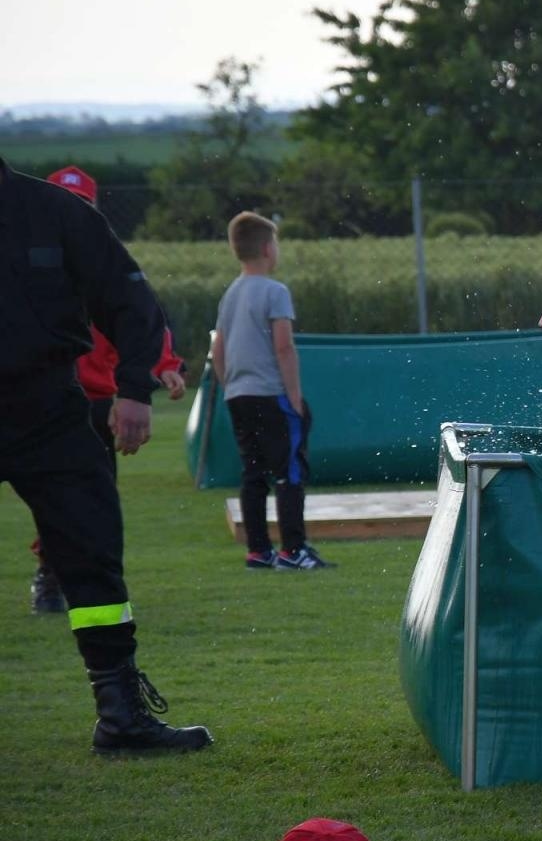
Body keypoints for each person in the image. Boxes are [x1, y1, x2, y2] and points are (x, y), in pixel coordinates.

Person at [0, 155, 212, 754]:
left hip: (47, 409)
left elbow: (129, 299)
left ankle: (121, 716)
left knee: (92, 554)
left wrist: (134, 389)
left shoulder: (55, 213)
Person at [27, 167, 188, 615]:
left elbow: (139, 321)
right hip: (48, 401)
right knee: (52, 495)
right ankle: (50, 575)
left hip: (102, 402)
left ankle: (87, 583)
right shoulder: (29, 263)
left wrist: (166, 366)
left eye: (83, 203)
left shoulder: (104, 266)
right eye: (66, 201)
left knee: (94, 502)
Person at [210, 211, 333, 570]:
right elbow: (283, 347)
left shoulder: (230, 294)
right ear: (267, 248)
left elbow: (218, 350)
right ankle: (294, 549)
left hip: (238, 394)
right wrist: (293, 397)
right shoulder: (275, 291)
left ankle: (258, 550)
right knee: (289, 471)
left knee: (252, 472)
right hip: (271, 393)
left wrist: (230, 386)